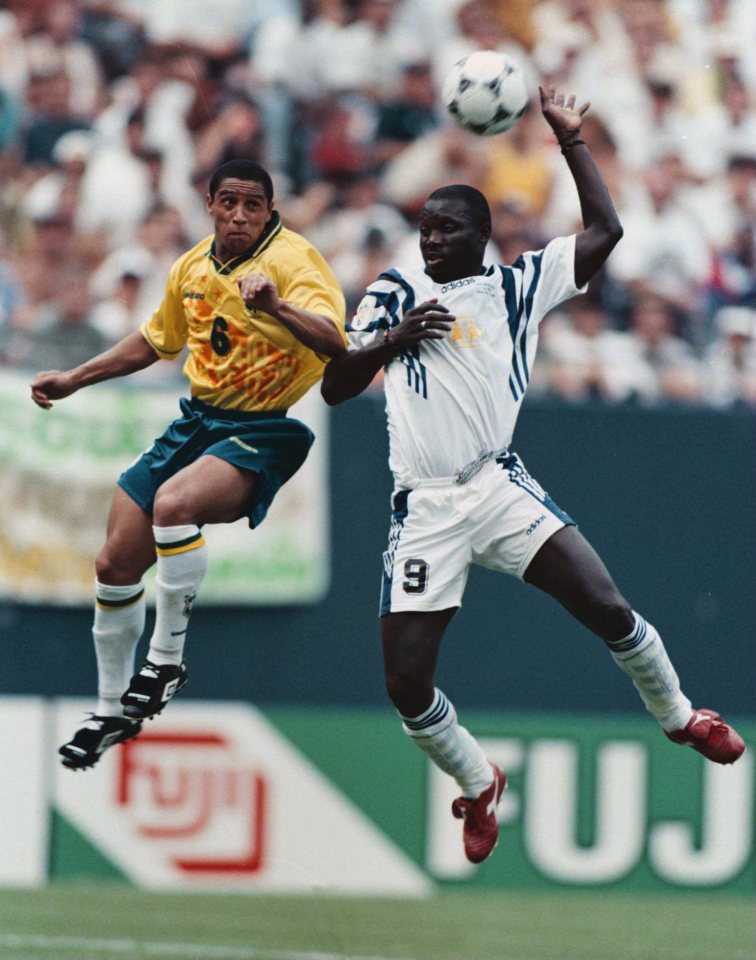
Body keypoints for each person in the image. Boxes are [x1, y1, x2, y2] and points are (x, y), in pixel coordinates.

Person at [321, 88, 745, 866]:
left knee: (609, 606)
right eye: (424, 230)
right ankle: (479, 781)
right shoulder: (394, 293)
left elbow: (607, 230)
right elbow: (336, 386)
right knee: (407, 686)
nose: (431, 242)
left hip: (495, 486)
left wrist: (572, 141)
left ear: (482, 235)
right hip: (425, 509)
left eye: (446, 229)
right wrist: (393, 341)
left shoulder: (520, 285)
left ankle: (680, 716)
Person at [31, 159, 346, 770]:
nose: (239, 215)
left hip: (264, 425)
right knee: (114, 562)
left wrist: (279, 307)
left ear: (270, 209)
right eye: (229, 202)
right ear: (210, 203)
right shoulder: (193, 267)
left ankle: (166, 661)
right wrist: (76, 377)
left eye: (253, 205)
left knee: (174, 505)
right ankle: (109, 712)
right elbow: (155, 340)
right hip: (197, 420)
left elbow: (337, 341)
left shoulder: (293, 262)